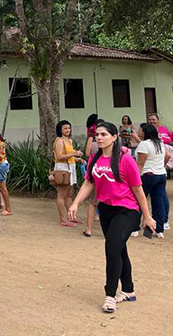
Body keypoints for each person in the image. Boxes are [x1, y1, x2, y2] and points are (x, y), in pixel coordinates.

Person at [68, 122, 156, 314]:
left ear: (115, 137)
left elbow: (138, 190)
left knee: (111, 249)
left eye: (104, 134)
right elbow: (89, 183)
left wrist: (147, 217)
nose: (99, 138)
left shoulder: (126, 160)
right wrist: (75, 203)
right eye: (97, 134)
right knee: (119, 249)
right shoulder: (94, 158)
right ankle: (128, 290)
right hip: (106, 210)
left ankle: (110, 295)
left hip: (127, 211)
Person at [136, 123, 171, 237]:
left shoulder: (144, 144)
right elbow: (167, 155)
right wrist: (161, 166)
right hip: (160, 174)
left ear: (144, 132)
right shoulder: (159, 143)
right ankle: (159, 229)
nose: (138, 132)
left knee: (139, 200)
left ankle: (134, 227)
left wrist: (135, 176)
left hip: (147, 174)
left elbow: (140, 162)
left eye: (140, 130)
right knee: (158, 202)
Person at [52, 120, 85, 229]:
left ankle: (71, 216)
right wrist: (74, 153)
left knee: (69, 194)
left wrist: (78, 159)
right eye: (65, 128)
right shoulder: (59, 141)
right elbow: (60, 156)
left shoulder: (69, 140)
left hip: (70, 168)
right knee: (61, 195)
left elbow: (69, 156)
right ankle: (63, 219)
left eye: (69, 128)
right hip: (62, 168)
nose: (67, 130)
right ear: (60, 130)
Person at [143, 113, 172, 228]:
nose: (151, 121)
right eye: (149, 119)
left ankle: (163, 221)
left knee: (143, 198)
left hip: (150, 173)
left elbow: (168, 154)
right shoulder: (156, 142)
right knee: (159, 199)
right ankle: (160, 226)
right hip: (160, 173)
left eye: (153, 119)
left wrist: (161, 165)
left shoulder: (162, 132)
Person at [83, 114, 101, 236]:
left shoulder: (93, 139)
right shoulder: (111, 142)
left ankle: (89, 228)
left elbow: (87, 152)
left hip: (95, 171)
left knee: (93, 201)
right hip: (98, 172)